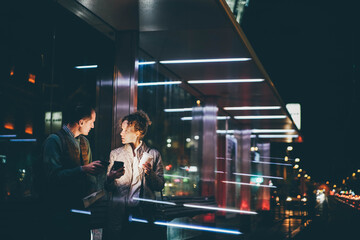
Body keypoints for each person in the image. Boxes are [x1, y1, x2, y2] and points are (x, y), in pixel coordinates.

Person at [42, 103, 105, 240]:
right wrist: (83, 169)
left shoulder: (84, 142)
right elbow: (53, 177)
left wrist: (103, 178)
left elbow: (89, 179)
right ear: (81, 122)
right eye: (91, 122)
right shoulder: (54, 140)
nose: (93, 126)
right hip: (59, 211)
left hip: (81, 210)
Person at [104, 110, 165, 239]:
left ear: (138, 133)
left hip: (144, 213)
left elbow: (160, 185)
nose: (121, 133)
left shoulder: (153, 154)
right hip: (121, 213)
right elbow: (108, 187)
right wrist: (110, 178)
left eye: (126, 130)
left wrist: (150, 173)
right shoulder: (116, 154)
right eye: (122, 130)